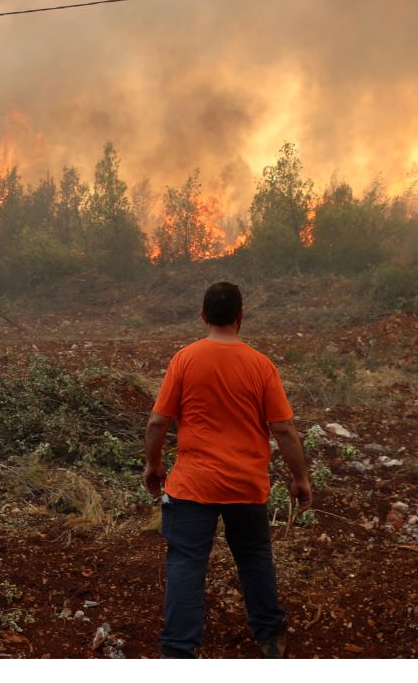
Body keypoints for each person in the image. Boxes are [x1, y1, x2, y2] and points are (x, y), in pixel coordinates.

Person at [144, 281, 313, 659]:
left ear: (203, 317)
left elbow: (157, 422)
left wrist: (153, 464)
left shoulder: (184, 360)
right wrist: (300, 478)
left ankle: (178, 650)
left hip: (192, 485)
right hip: (246, 484)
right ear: (240, 317)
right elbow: (283, 428)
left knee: (187, 563)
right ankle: (270, 638)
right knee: (254, 558)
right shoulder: (261, 365)